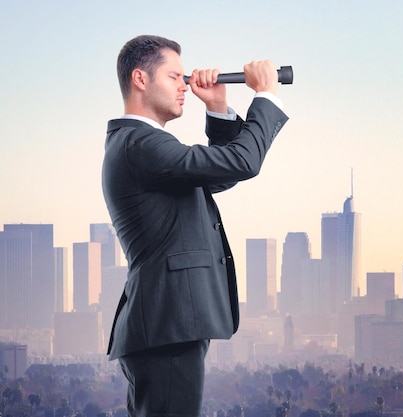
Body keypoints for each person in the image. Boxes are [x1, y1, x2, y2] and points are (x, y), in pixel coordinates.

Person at [101, 35, 288, 417]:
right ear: (140, 79)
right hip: (167, 325)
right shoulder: (141, 144)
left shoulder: (140, 145)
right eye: (173, 77)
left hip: (166, 324)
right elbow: (242, 162)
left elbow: (216, 177)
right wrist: (266, 95)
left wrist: (218, 107)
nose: (184, 85)